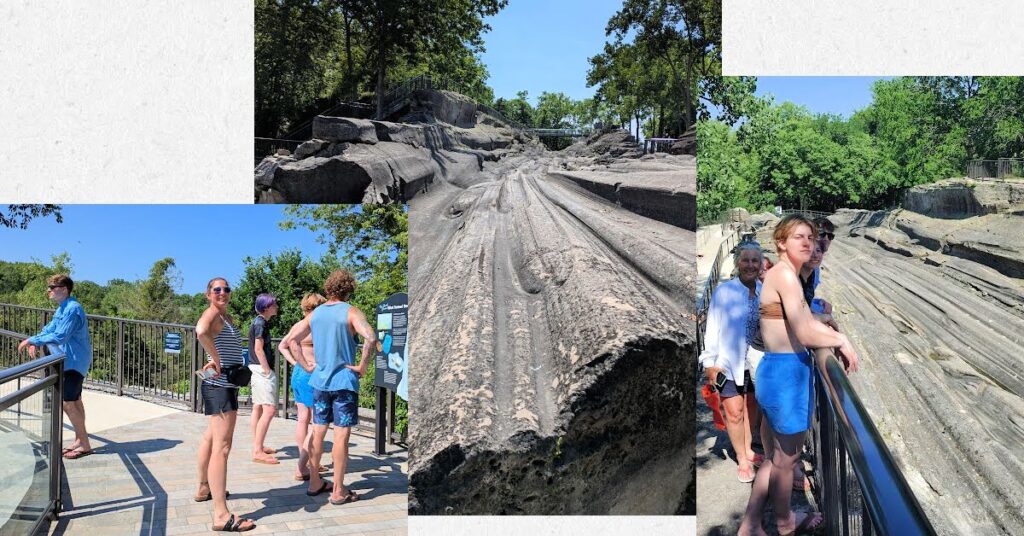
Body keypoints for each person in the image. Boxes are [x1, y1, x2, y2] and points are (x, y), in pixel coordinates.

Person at [738, 215, 860, 536]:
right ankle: (785, 523)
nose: (809, 243)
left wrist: (824, 320)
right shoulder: (786, 276)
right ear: (781, 242)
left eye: (811, 237)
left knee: (777, 458)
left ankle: (751, 525)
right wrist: (841, 340)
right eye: (799, 237)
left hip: (779, 371)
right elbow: (804, 331)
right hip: (785, 374)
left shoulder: (785, 275)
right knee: (785, 462)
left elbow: (802, 316)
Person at [281, 270, 377, 506]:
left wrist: (305, 366)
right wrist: (362, 366)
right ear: (349, 289)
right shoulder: (351, 311)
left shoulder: (315, 314)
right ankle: (338, 490)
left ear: (328, 289)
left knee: (318, 431)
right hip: (344, 381)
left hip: (320, 382)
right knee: (341, 436)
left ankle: (314, 482)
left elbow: (292, 340)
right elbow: (371, 337)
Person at [194, 277, 256, 532]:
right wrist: (216, 359)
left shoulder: (226, 317)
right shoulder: (212, 314)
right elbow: (200, 331)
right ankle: (221, 514)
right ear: (208, 294)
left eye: (226, 289)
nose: (222, 292)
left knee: (211, 438)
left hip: (224, 383)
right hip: (219, 384)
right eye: (216, 289)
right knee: (223, 446)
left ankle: (203, 487)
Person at [699, 243, 763, 483]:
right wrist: (708, 363)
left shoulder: (765, 290)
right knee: (734, 413)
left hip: (756, 363)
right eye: (745, 260)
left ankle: (749, 449)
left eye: (755, 261)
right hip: (727, 363)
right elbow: (712, 328)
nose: (750, 265)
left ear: (761, 265)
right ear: (738, 263)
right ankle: (742, 459)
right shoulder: (724, 291)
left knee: (750, 411)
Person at [18, 274, 94, 460]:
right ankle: (80, 439)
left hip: (74, 361)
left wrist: (32, 340)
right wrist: (36, 340)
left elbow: (60, 336)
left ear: (64, 289)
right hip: (70, 360)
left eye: (52, 287)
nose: (49, 291)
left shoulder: (73, 309)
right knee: (74, 400)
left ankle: (84, 444)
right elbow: (50, 329)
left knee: (67, 402)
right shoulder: (63, 308)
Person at [278, 292, 329, 481]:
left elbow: (282, 346)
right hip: (311, 374)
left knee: (302, 420)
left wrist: (295, 362)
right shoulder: (316, 326)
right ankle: (304, 465)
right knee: (318, 423)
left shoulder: (298, 325)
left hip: (299, 373)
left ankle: (305, 459)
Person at [249, 293, 281, 465]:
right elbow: (258, 348)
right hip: (262, 370)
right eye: (274, 304)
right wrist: (267, 369)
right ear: (266, 307)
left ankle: (258, 445)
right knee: (269, 409)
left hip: (256, 368)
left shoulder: (258, 321)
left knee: (258, 408)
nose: (276, 306)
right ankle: (258, 451)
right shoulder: (261, 323)